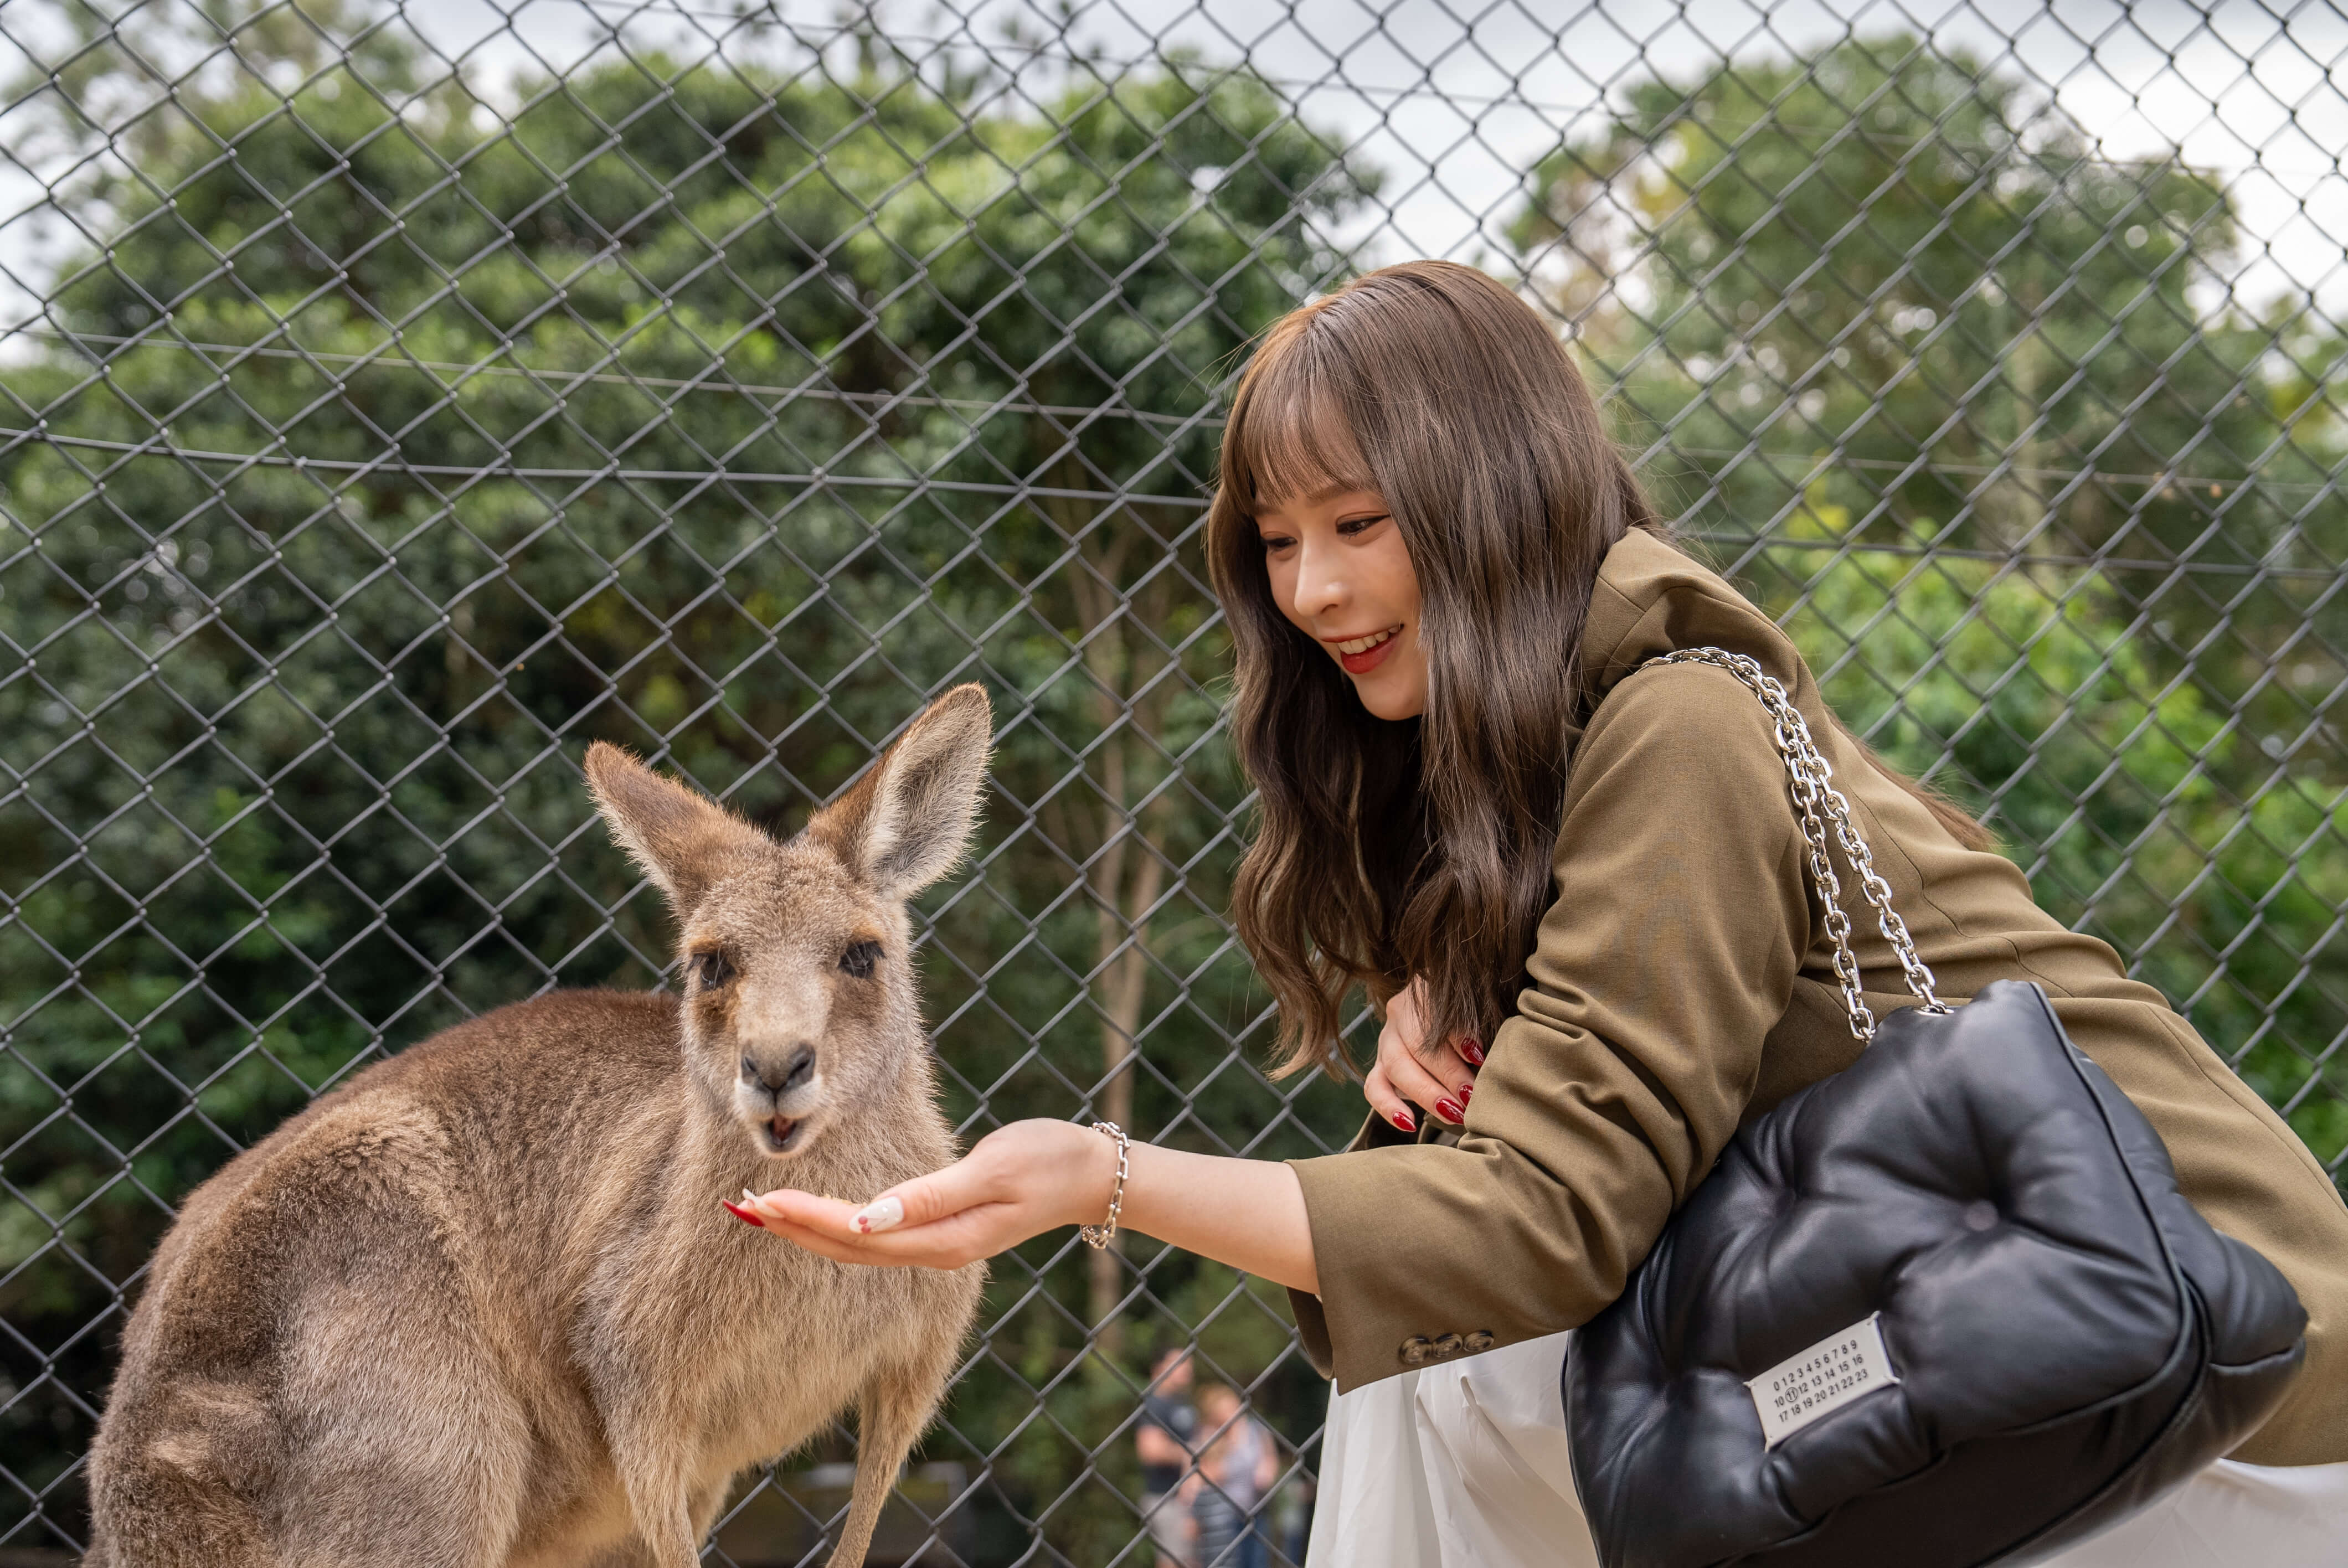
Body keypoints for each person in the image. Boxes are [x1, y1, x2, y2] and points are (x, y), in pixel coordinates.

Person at [732, 260, 2348, 1564]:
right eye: (1277, 542)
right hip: (1998, 1351)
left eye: (1358, 524)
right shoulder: (1517, 784)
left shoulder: (1677, 722)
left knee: (1448, 1366)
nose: (1308, 591)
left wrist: (1108, 1173)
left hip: (2210, 1372)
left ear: (1496, 494)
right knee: (1432, 1357)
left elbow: (1548, 1225)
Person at [1183, 1383, 1279, 1568]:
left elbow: (1269, 1461)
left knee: (1257, 1561)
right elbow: (1208, 1474)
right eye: (1223, 1410)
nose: (1230, 1414)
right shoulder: (1210, 1437)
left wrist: (1266, 1472)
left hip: (1255, 1509)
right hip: (1224, 1515)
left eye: (1232, 1408)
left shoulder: (1256, 1431)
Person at [1136, 1345, 1199, 1568]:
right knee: (1173, 1561)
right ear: (1159, 1368)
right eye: (1180, 1363)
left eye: (1189, 1364)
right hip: (1166, 1497)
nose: (1187, 1370)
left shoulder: (1183, 1403)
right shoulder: (1154, 1404)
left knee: (1190, 1560)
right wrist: (1190, 1452)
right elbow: (1150, 1450)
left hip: (1189, 1498)